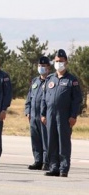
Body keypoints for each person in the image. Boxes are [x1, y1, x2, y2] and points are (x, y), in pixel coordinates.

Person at [41, 49, 82, 178]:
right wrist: (43, 114)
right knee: (51, 141)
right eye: (57, 61)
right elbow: (44, 98)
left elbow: (77, 100)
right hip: (50, 115)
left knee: (63, 142)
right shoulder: (49, 79)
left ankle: (64, 168)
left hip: (64, 116)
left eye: (61, 61)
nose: (59, 63)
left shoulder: (72, 80)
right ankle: (54, 167)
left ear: (66, 62)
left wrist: (73, 116)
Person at [24, 56, 51, 170]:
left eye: (43, 66)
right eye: (39, 66)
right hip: (33, 115)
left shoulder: (51, 81)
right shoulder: (35, 81)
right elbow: (29, 98)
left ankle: (46, 161)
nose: (41, 68)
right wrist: (27, 111)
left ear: (48, 67)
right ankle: (37, 160)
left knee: (46, 139)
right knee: (35, 139)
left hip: (44, 116)